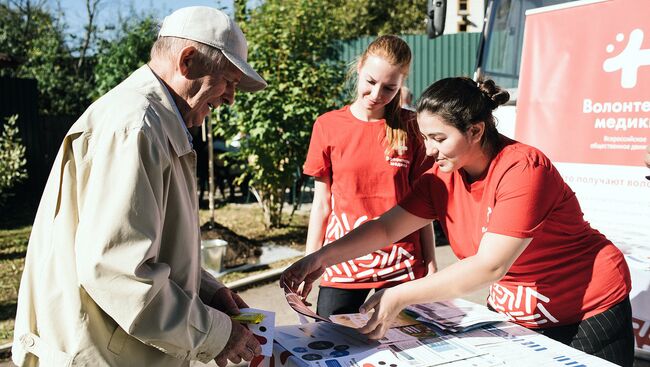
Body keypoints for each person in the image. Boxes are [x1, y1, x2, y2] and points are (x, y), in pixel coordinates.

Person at [284, 77, 634, 366]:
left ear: (476, 131)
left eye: (439, 139)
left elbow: (489, 266)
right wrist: (319, 259)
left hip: (585, 308)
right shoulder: (441, 178)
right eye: (424, 138)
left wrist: (398, 295)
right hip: (518, 313)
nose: (430, 151)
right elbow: (387, 228)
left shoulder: (523, 169)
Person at [12, 7, 267, 367]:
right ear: (188, 61)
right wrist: (215, 334)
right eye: (228, 80)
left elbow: (149, 246)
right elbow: (117, 268)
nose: (230, 98)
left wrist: (208, 291)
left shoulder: (153, 121)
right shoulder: (138, 126)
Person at [302, 35, 435, 318]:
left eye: (389, 88)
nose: (377, 95)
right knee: (332, 351)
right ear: (359, 67)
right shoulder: (327, 126)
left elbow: (423, 204)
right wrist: (309, 262)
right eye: (371, 82)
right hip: (343, 265)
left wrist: (431, 262)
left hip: (402, 266)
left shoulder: (412, 127)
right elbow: (322, 204)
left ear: (401, 85)